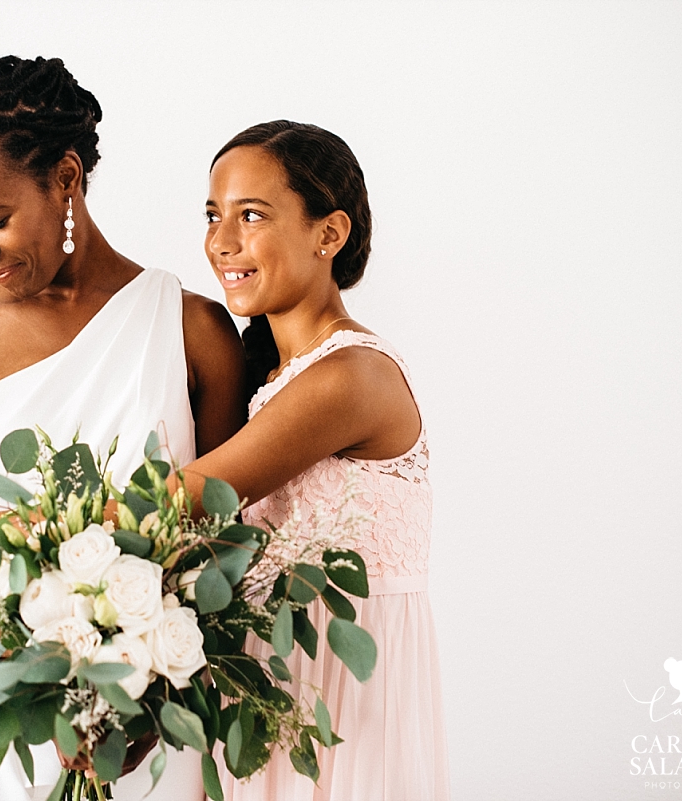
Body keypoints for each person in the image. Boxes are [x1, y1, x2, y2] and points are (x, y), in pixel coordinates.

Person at [0, 56, 246, 800]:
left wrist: (144, 695)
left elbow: (231, 540)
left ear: (67, 178)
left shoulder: (196, 329)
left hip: (157, 717)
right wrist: (17, 681)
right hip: (7, 722)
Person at [173, 121, 450, 801]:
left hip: (341, 690)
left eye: (252, 215)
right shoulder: (267, 380)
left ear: (329, 234)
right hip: (268, 686)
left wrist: (18, 530)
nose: (221, 241)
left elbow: (182, 495)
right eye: (214, 215)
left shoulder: (350, 376)